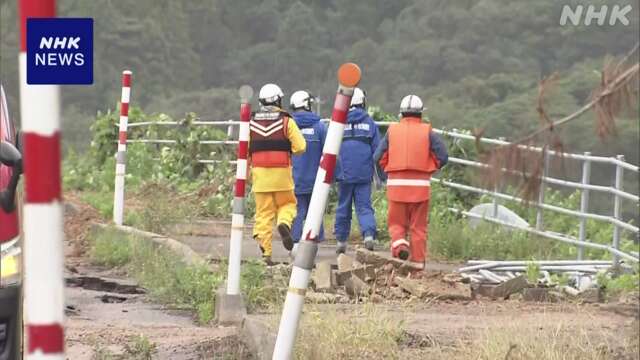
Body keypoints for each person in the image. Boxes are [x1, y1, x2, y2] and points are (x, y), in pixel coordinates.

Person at [374, 95, 448, 270]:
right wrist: (429, 167)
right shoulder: (427, 131)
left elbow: (378, 158)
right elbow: (443, 156)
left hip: (397, 187)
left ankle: (400, 248)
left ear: (401, 114)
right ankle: (417, 268)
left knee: (396, 224)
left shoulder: (392, 131)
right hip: (420, 188)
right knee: (418, 228)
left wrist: (388, 174)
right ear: (421, 114)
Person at [249, 83, 306, 265]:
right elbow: (301, 146)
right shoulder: (286, 121)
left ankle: (266, 253)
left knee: (263, 214)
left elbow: (243, 150)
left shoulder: (250, 122)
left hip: (259, 176)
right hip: (282, 174)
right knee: (288, 204)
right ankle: (284, 223)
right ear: (279, 100)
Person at [334, 87, 380, 254]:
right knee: (364, 206)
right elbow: (377, 149)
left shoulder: (339, 121)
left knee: (343, 206)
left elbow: (331, 147)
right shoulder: (369, 122)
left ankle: (341, 241)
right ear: (363, 102)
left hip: (343, 172)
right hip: (364, 173)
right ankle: (368, 235)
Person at [289, 91, 327, 254]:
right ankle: (313, 243)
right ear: (307, 104)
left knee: (297, 211)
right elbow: (329, 153)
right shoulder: (320, 127)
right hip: (316, 179)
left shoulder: (288, 126)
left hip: (294, 178)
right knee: (316, 210)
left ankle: (295, 244)